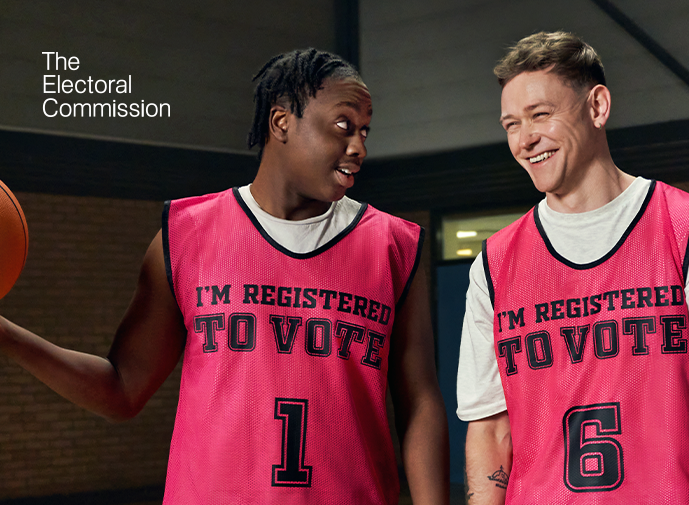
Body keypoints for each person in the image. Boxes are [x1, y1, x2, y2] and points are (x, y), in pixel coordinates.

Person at [0, 48, 449, 505]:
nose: (358, 147)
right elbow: (121, 389)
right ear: (281, 123)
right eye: (342, 126)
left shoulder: (395, 245)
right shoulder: (186, 234)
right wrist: (5, 334)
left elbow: (420, 404)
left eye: (364, 131)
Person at [457, 32, 689, 504]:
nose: (525, 139)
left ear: (597, 106)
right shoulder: (494, 265)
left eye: (541, 114)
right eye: (511, 124)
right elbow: (490, 428)